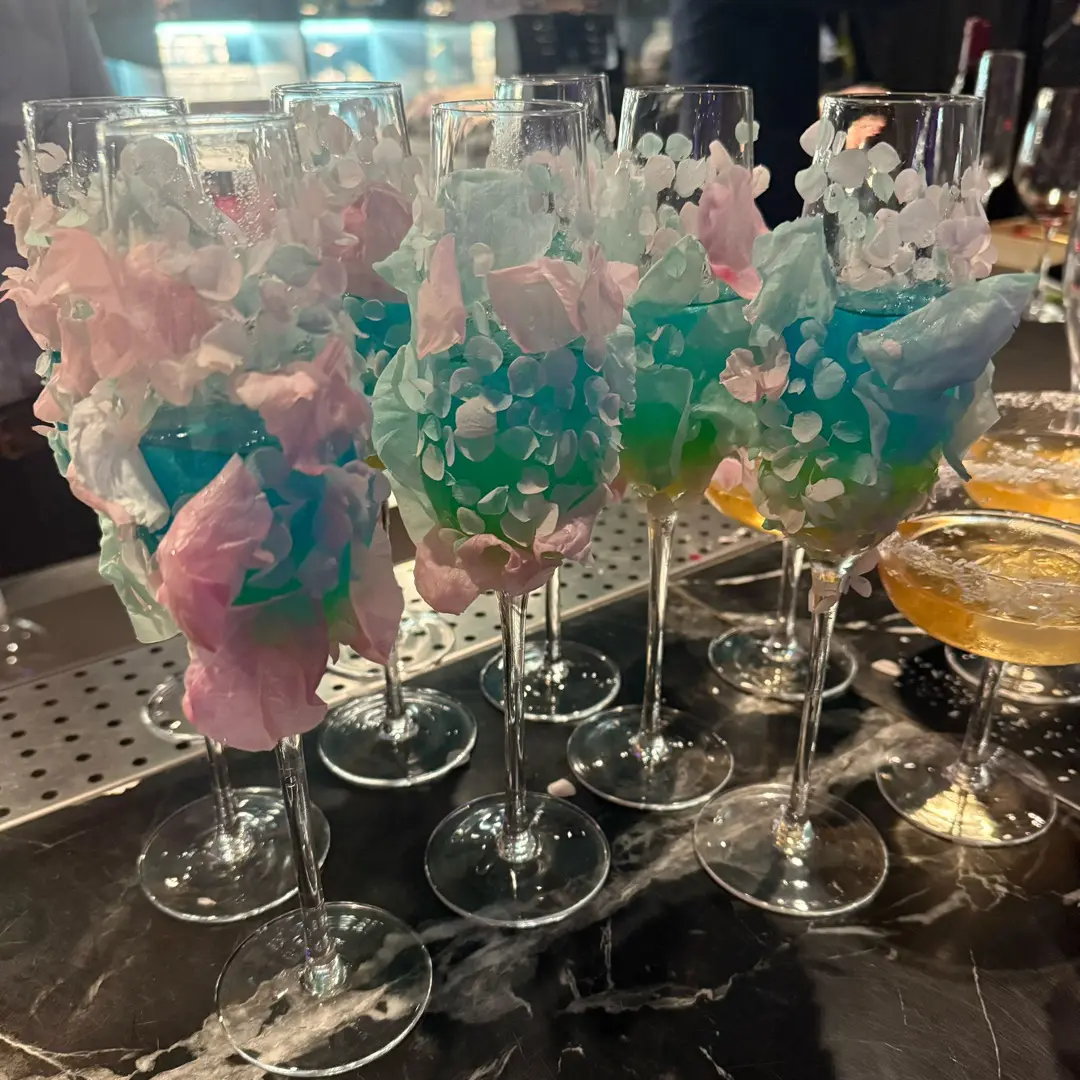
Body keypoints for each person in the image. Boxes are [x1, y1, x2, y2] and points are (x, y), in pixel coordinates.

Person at [0, 0, 112, 577]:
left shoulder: (43, 10)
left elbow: (108, 165)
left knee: (82, 587)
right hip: (55, 381)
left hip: (62, 391)